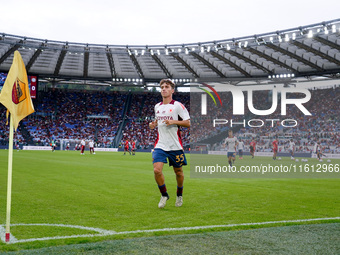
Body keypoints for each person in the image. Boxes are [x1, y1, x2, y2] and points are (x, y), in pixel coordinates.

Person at [149, 79, 190, 209]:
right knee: (157, 170)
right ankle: (164, 195)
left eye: (166, 87)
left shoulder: (178, 106)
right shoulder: (157, 106)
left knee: (178, 172)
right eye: (162, 87)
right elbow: (156, 122)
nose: (164, 89)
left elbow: (188, 123)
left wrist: (173, 122)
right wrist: (152, 125)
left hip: (175, 145)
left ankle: (179, 194)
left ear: (172, 90)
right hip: (160, 144)